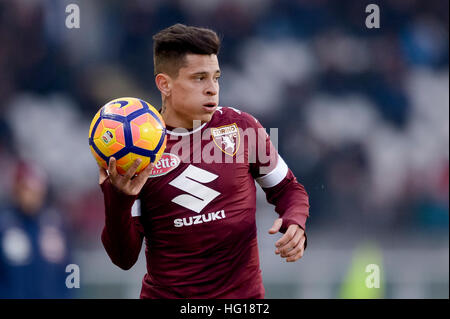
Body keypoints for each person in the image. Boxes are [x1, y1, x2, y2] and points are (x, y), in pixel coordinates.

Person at [99, 23, 310, 298]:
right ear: (164, 84)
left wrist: (295, 220)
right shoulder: (137, 149)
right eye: (199, 78)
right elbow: (123, 258)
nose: (212, 89)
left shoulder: (241, 128)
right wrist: (118, 200)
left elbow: (287, 189)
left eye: (216, 77)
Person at [0, 161, 72, 298]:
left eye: (35, 189)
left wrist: (70, 294)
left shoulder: (56, 224)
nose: (31, 195)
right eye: (26, 189)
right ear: (16, 190)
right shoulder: (4, 226)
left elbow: (72, 267)